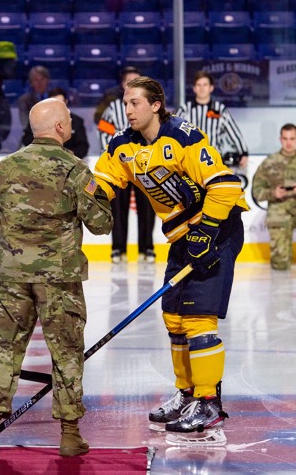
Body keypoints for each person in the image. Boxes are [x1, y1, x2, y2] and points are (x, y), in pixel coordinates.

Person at [94, 77, 249, 438]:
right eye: (125, 102)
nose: (127, 109)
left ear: (156, 105)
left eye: (134, 103)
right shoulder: (122, 145)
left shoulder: (184, 136)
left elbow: (225, 186)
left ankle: (209, 403)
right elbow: (100, 183)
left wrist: (205, 231)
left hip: (218, 230)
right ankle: (188, 394)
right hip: (182, 237)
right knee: (173, 317)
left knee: (197, 318)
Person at [0, 98, 113, 458]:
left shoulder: (5, 168)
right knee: (66, 353)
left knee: (4, 350)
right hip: (59, 280)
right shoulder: (74, 168)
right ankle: (69, 434)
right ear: (60, 128)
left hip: (11, 278)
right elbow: (101, 224)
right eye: (69, 121)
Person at [97, 67, 156, 263]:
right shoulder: (113, 108)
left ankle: (147, 248)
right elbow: (104, 134)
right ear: (123, 86)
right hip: (120, 167)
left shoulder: (148, 107)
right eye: (129, 82)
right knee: (118, 209)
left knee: (147, 207)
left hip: (144, 166)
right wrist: (118, 154)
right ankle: (118, 249)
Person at [175, 71, 249, 169]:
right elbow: (172, 132)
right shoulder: (185, 110)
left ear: (211, 88)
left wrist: (243, 152)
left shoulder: (220, 110)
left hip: (214, 164)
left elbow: (234, 132)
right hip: (189, 164)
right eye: (199, 85)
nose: (202, 88)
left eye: (205, 85)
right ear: (194, 88)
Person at [252, 123, 296, 271]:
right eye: (285, 139)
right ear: (280, 139)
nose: (289, 143)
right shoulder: (269, 163)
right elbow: (256, 191)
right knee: (280, 265)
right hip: (279, 212)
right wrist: (273, 193)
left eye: (292, 138)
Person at [21, 87, 89, 159]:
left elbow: (83, 146)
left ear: (66, 101)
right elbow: (27, 139)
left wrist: (69, 154)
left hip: (69, 160)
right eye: (54, 103)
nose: (57, 106)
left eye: (60, 102)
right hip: (40, 157)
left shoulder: (76, 121)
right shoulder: (38, 118)